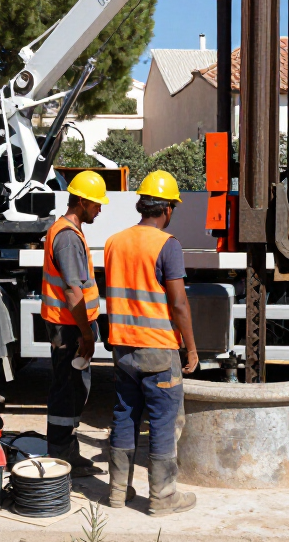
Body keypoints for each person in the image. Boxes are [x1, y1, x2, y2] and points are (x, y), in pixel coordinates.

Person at [102, 170, 199, 516]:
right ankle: (162, 497)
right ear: (168, 209)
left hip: (122, 349)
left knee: (125, 415)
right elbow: (179, 303)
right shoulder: (167, 244)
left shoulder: (114, 242)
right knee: (163, 421)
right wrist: (191, 348)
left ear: (141, 205)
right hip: (157, 349)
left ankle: (117, 491)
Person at [41, 170, 108, 476]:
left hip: (69, 324)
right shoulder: (67, 237)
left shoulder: (68, 232)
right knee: (67, 389)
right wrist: (86, 333)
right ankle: (61, 455)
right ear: (81, 201)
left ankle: (66, 450)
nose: (99, 208)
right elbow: (72, 290)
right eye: (95, 203)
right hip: (69, 326)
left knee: (72, 388)